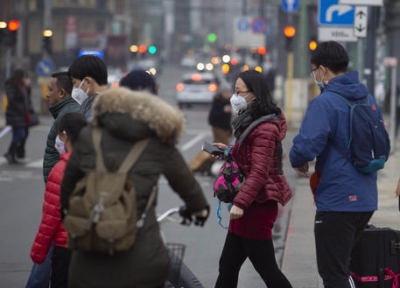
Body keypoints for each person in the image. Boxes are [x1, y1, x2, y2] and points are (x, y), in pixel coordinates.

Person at [60, 87, 209, 288]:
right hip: (142, 261)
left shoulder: (89, 135)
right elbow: (188, 186)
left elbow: (67, 188)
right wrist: (199, 210)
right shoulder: (158, 144)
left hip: (89, 255)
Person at [289, 41, 385, 288]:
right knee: (345, 270)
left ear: (323, 69)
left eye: (314, 72)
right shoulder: (367, 98)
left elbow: (308, 144)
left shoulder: (325, 102)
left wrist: (297, 160)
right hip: (365, 199)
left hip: (338, 200)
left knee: (333, 275)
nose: (315, 77)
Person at [212, 70, 293, 288]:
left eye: (239, 91)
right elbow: (251, 156)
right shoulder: (253, 121)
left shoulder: (265, 128)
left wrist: (240, 203)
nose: (234, 96)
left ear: (254, 95)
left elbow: (259, 171)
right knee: (227, 266)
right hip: (248, 204)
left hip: (256, 206)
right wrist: (229, 150)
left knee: (266, 269)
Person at [25, 72, 81, 288]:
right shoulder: (66, 114)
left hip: (65, 241)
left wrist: (36, 253)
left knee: (49, 270)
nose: (47, 94)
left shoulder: (64, 171)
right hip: (77, 243)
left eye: (51, 89)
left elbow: (49, 222)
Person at [30, 112, 87, 288]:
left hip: (65, 248)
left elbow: (51, 218)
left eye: (59, 134)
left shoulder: (60, 170)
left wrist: (38, 253)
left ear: (65, 135)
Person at [189, 82, 233, 173]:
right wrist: (223, 111)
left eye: (229, 92)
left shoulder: (227, 102)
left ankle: (207, 165)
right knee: (221, 148)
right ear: (222, 92)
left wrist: (230, 130)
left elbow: (228, 120)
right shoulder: (219, 102)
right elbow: (213, 117)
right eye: (226, 92)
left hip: (224, 129)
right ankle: (209, 165)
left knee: (217, 147)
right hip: (219, 128)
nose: (228, 94)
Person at [3, 69, 32, 164]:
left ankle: (11, 154)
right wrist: (20, 108)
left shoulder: (22, 86)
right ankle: (10, 153)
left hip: (21, 114)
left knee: (20, 134)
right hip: (14, 114)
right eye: (23, 76)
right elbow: (12, 99)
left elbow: (27, 98)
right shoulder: (12, 85)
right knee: (20, 134)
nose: (25, 79)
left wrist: (27, 87)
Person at [67, 54, 108, 119]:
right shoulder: (118, 107)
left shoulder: (92, 113)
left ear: (87, 82)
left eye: (74, 83)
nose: (73, 88)